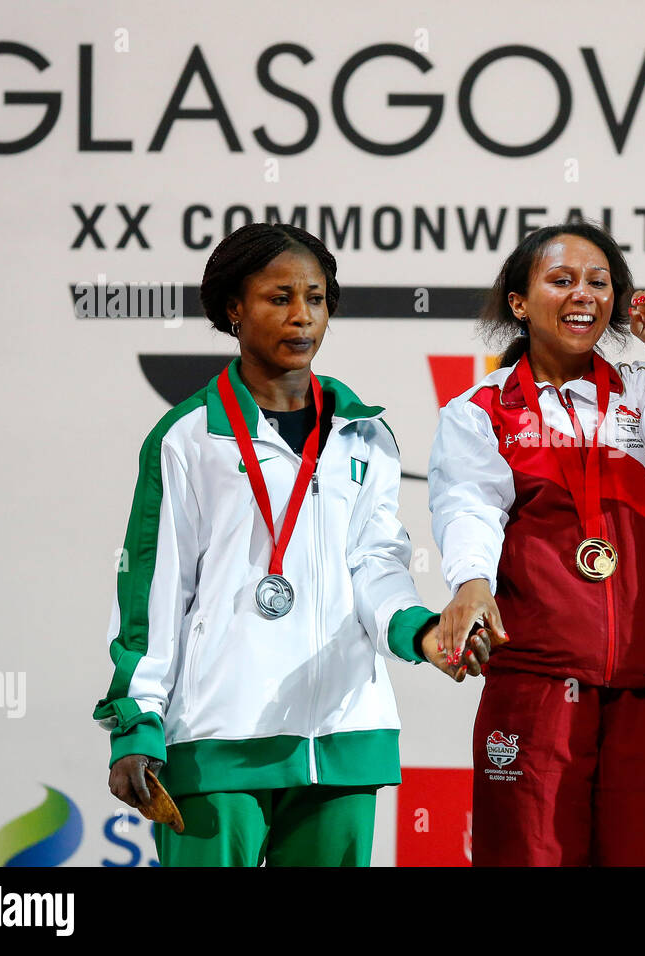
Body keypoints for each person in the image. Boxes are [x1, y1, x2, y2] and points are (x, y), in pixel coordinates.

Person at [94, 222, 486, 867]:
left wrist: (420, 631)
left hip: (342, 736)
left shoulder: (365, 436)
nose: (301, 316)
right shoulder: (188, 438)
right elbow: (154, 593)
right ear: (233, 309)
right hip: (217, 738)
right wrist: (137, 723)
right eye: (279, 298)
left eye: (316, 298)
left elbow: (375, 565)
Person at [428, 221, 645, 866]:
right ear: (519, 301)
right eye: (560, 281)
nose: (582, 295)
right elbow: (468, 504)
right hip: (539, 673)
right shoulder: (481, 409)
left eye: (598, 283)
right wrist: (472, 581)